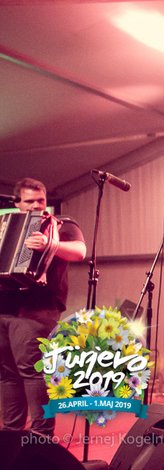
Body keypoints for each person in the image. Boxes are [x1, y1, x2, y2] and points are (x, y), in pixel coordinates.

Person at [0, 177, 86, 437]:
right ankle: (11, 436)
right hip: (5, 307)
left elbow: (80, 251)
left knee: (32, 370)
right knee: (6, 374)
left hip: (38, 309)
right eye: (30, 201)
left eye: (41, 200)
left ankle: (40, 438)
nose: (37, 206)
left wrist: (50, 244)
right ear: (17, 203)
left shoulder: (61, 224)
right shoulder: (5, 224)